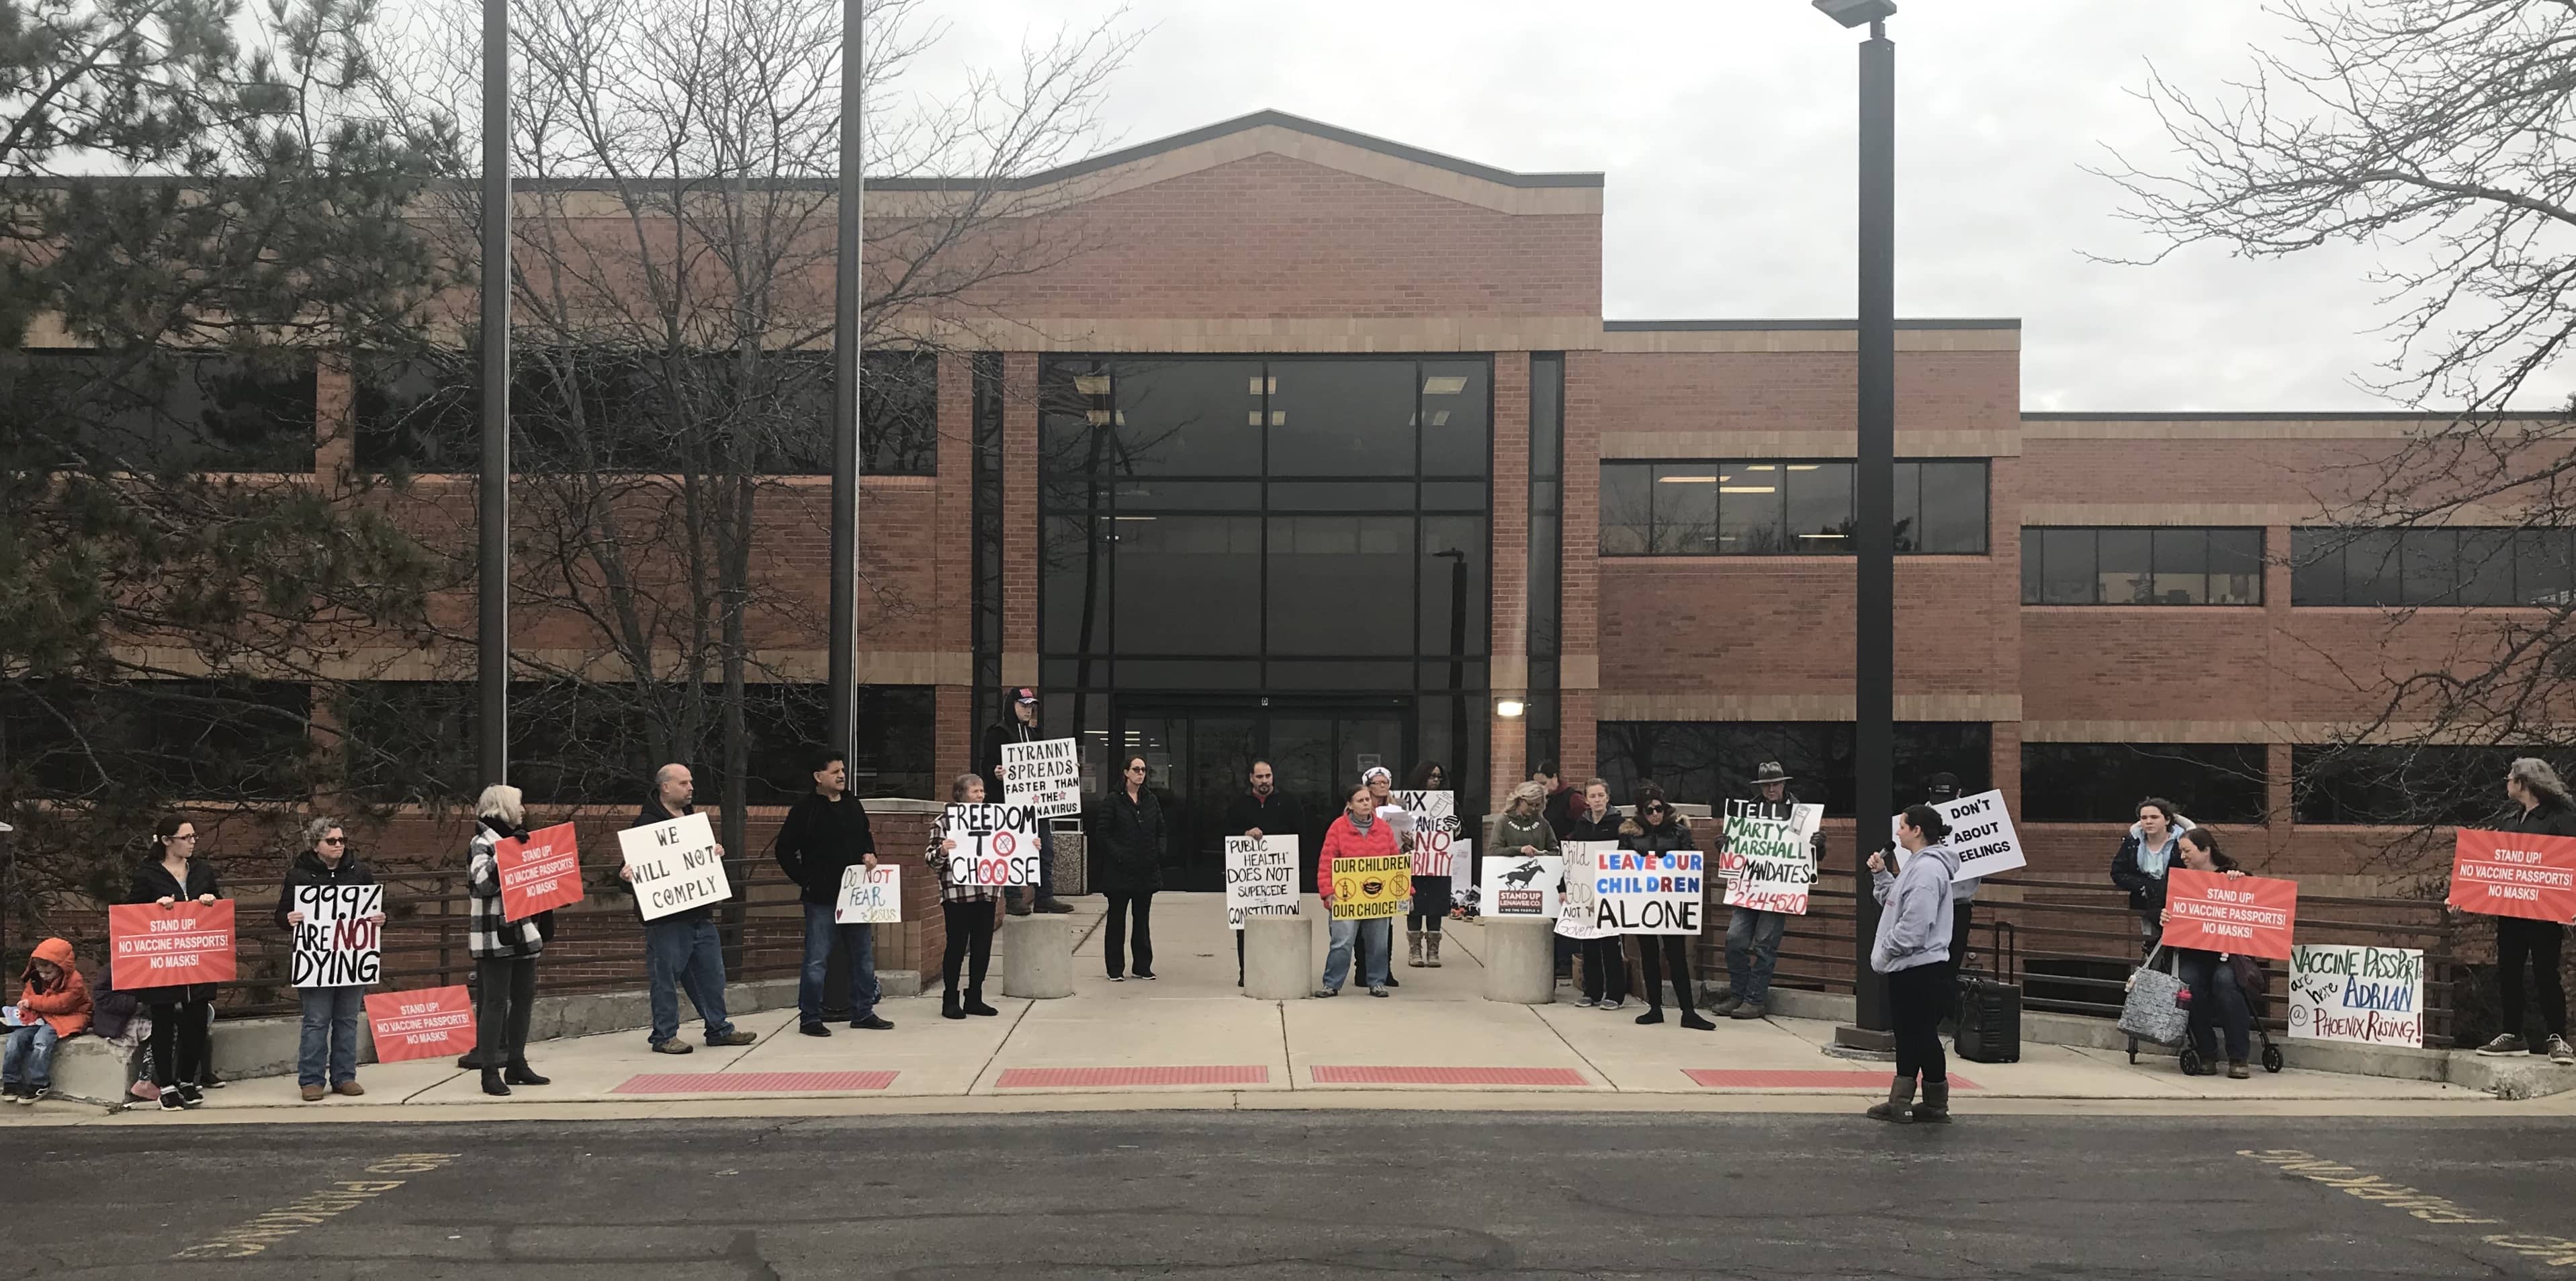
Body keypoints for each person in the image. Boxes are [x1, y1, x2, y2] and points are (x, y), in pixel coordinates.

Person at [624, 764, 756, 1053]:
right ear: (666, 787)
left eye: (691, 782)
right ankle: (664, 1036)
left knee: (712, 975)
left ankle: (719, 1028)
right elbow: (632, 873)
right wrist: (628, 875)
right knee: (666, 980)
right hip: (667, 920)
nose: (690, 787)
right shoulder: (646, 825)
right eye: (683, 783)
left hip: (699, 913)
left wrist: (713, 853)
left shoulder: (691, 821)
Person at [774, 748, 891, 1036]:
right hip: (822, 896)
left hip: (856, 896)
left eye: (842, 770)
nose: (841, 775)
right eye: (835, 771)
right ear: (818, 777)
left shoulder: (853, 804)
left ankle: (863, 1011)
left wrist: (870, 855)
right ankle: (810, 1017)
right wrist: (805, 880)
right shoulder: (805, 810)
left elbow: (865, 837)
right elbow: (784, 850)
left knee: (863, 956)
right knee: (817, 958)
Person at [274, 817, 384, 1102]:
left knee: (347, 1019)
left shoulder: (359, 872)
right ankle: (311, 1079)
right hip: (316, 961)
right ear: (316, 845)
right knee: (317, 1020)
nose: (338, 845)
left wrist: (381, 919)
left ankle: (344, 1076)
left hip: (351, 960)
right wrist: (289, 918)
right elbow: (281, 914)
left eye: (342, 840)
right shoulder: (298, 876)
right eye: (331, 841)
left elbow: (373, 910)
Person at [2474, 758, 2576, 1063]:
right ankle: (2513, 1034)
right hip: (2511, 911)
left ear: (2524, 783)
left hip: (2545, 912)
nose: (2507, 782)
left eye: (2510, 778)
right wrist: (2463, 896)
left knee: (2546, 973)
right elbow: (2492, 866)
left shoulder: (2560, 818)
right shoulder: (2510, 820)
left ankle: (2558, 1038)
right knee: (2509, 972)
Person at [1866, 804, 1961, 1124]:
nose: (1898, 832)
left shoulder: (1926, 870)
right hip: (1917, 964)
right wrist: (1881, 875)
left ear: (1917, 830)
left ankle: (1919, 1102)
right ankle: (1917, 1101)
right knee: (1914, 1034)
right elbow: (1896, 902)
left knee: (1917, 1034)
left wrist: (1888, 950)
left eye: (1903, 826)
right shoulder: (1919, 866)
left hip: (1916, 965)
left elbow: (1915, 926)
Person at [1714, 762, 1822, 1021]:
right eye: (1766, 785)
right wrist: (1724, 846)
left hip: (1779, 892)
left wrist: (1819, 844)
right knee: (1734, 941)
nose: (1771, 789)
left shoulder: (1800, 814)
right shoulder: (1747, 813)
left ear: (1784, 784)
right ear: (1760, 787)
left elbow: (1810, 857)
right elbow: (1736, 848)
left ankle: (1754, 1000)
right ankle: (1739, 994)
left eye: (1775, 784)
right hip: (1749, 888)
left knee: (1765, 946)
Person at [128, 815, 221, 1112]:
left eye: (194, 836)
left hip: (197, 958)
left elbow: (219, 907)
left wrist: (210, 903)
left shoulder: (202, 871)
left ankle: (186, 1080)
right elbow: (132, 914)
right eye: (186, 837)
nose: (193, 841)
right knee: (164, 1019)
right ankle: (166, 1084)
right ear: (167, 841)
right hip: (163, 959)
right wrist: (154, 909)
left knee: (197, 1019)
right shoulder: (147, 874)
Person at [2152, 826, 2258, 1079]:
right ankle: (2206, 1052)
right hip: (2193, 953)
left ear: (2206, 850)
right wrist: (2162, 916)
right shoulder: (2177, 879)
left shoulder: (2233, 876)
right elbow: (2154, 908)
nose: (2183, 856)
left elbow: (2255, 905)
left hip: (2228, 956)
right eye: (2180, 851)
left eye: (2187, 851)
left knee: (2226, 983)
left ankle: (2238, 1056)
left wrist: (2241, 881)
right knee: (2189, 986)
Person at [466, 784, 550, 1097]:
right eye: (519, 804)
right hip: (493, 933)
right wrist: (510, 854)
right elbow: (483, 884)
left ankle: (516, 1061)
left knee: (525, 998)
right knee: (495, 1001)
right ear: (503, 807)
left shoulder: (521, 839)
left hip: (523, 930)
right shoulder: (482, 842)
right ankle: (490, 1069)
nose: (524, 810)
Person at [1619, 786, 1716, 1030]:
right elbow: (1620, 866)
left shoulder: (1680, 832)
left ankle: (1688, 1012)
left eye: (1659, 808)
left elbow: (1691, 863)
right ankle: (1654, 1009)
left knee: (1677, 957)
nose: (1655, 814)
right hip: (1644, 903)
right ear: (1641, 811)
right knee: (1649, 956)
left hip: (1672, 904)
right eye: (1649, 810)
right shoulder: (1630, 836)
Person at [977, 687, 1073, 916]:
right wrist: (995, 772)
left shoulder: (1035, 734)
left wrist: (1067, 771)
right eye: (1024, 705)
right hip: (1009, 805)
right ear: (1012, 706)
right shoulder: (997, 733)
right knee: (1012, 850)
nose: (1029, 710)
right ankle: (1013, 898)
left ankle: (1044, 896)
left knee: (1045, 851)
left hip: (1037, 805)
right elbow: (986, 764)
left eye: (1031, 706)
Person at [1223, 760, 1304, 987]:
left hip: (1280, 879)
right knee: (1245, 928)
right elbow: (1225, 832)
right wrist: (1244, 833)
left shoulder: (1288, 802)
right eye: (1260, 777)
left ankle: (1279, 970)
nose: (1265, 781)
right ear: (1251, 778)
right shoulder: (1239, 804)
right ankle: (1246, 972)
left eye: (1268, 776)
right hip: (1249, 881)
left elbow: (1302, 834)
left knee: (1282, 926)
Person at [930, 774, 1003, 1020]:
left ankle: (975, 997)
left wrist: (1027, 845)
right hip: (957, 894)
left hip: (987, 892)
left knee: (983, 947)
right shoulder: (944, 822)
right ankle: (950, 999)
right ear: (961, 794)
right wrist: (942, 850)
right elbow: (930, 860)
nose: (981, 796)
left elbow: (1009, 847)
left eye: (982, 791)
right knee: (957, 947)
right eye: (975, 792)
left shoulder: (996, 819)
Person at [1316, 782, 1398, 998]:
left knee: (1378, 944)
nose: (1366, 804)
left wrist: (1407, 892)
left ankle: (1377, 982)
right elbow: (1326, 862)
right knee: (1342, 942)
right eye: (1360, 800)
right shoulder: (1337, 828)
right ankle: (1331, 984)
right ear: (1350, 805)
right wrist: (1327, 892)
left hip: (1378, 898)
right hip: (1346, 897)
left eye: (1367, 800)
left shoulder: (1384, 829)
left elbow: (1396, 862)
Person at [1094, 755, 1165, 981]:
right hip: (1119, 872)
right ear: (1126, 773)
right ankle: (1115, 968)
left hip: (1146, 870)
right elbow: (1103, 833)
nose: (1141, 773)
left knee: (1142, 920)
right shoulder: (1113, 800)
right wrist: (1120, 855)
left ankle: (1143, 966)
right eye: (1136, 769)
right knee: (1117, 920)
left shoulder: (1151, 800)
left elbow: (1161, 830)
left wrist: (1158, 852)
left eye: (1143, 770)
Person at [1563, 778, 1627, 1010]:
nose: (1597, 800)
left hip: (1610, 890)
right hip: (1585, 891)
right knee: (1588, 943)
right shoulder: (1582, 824)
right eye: (1593, 796)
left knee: (1610, 943)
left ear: (1608, 797)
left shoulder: (1620, 824)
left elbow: (1625, 859)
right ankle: (1592, 992)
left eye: (1601, 795)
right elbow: (1573, 858)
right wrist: (1565, 887)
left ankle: (1615, 994)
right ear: (1587, 800)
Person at [4, 938, 89, 1104]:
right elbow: (27, 996)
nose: (44, 976)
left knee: (41, 1041)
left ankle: (39, 1082)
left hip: (67, 1016)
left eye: (48, 973)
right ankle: (10, 1080)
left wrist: (33, 1003)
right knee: (15, 1040)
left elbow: (62, 1004)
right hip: (41, 1016)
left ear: (62, 967)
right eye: (41, 972)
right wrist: (25, 1010)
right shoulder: (35, 978)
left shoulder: (75, 982)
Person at [2110, 797, 2194, 956]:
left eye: (2154, 817)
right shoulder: (2132, 842)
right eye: (2144, 818)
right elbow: (2118, 872)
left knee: (2180, 952)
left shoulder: (2182, 842)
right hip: (2147, 903)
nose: (2149, 822)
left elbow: (2193, 871)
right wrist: (2143, 884)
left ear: (2167, 819)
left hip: (2177, 904)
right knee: (2153, 951)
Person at [1403, 760, 1453, 969]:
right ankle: (1415, 949)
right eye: (1432, 776)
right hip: (1413, 862)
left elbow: (1460, 832)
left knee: (1435, 907)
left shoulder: (1449, 802)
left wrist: (1456, 827)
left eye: (1439, 777)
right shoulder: (1406, 803)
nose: (1435, 780)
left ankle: (1434, 949)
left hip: (1437, 862)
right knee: (1414, 906)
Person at [1358, 766, 1403, 988]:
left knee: (1386, 922)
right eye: (1378, 783)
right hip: (1361, 869)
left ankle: (1385, 969)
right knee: (1360, 921)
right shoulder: (1358, 807)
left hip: (1388, 868)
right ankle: (1362, 969)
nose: (1383, 786)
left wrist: (1408, 839)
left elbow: (1403, 844)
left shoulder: (1398, 808)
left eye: (1386, 782)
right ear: (1368, 786)